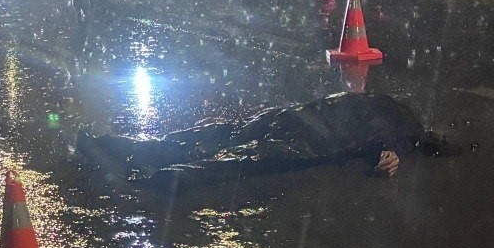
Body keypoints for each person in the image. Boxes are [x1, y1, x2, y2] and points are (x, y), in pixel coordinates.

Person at [76, 92, 470, 193]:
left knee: (217, 137)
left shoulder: (393, 109)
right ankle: (157, 177)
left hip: (290, 116)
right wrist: (390, 152)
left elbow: (375, 128)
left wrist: (387, 151)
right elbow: (384, 138)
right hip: (307, 138)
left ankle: (118, 147)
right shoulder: (404, 126)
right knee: (238, 158)